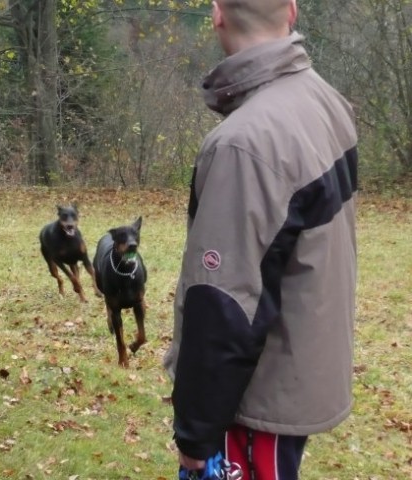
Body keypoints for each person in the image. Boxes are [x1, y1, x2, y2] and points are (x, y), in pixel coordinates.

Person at [163, 0, 358, 478]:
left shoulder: (245, 144)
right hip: (298, 372)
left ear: (216, 15)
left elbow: (223, 303)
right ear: (291, 11)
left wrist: (196, 436)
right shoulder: (324, 100)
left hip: (255, 401)